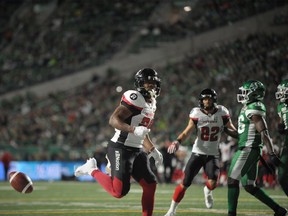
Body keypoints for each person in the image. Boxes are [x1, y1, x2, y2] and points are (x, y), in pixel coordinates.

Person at [74, 68, 163, 216]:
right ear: (140, 84)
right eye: (148, 83)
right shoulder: (135, 97)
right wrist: (133, 130)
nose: (152, 86)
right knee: (119, 192)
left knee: (150, 185)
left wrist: (153, 150)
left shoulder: (152, 102)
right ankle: (92, 169)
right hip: (121, 147)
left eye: (153, 83)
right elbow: (114, 120)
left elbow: (143, 131)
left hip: (137, 149)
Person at [164, 88, 238, 216]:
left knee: (213, 183)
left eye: (209, 99)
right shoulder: (196, 113)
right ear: (201, 100)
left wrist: (240, 135)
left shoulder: (222, 112)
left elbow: (231, 128)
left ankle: (207, 190)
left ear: (214, 100)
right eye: (204, 99)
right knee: (185, 183)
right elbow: (187, 131)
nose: (206, 101)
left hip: (213, 154)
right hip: (198, 152)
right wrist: (177, 142)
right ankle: (172, 210)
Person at [227, 80, 287, 216]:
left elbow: (264, 132)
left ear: (254, 94)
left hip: (248, 149)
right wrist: (224, 129)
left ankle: (231, 214)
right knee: (248, 186)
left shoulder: (254, 108)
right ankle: (278, 210)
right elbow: (240, 134)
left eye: (246, 92)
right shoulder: (246, 108)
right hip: (248, 148)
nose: (242, 95)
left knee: (232, 179)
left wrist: (271, 152)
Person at [275, 79, 288, 196]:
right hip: (287, 141)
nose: (281, 93)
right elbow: (281, 121)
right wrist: (280, 126)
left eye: (284, 91)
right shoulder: (281, 105)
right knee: (282, 175)